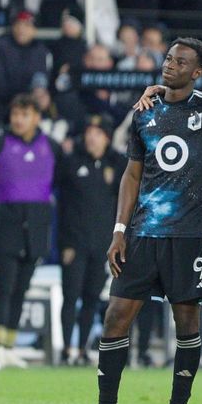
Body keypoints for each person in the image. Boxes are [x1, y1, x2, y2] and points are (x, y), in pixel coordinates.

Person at [65, 38, 202, 404]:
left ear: (197, 72)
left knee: (187, 322)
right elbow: (132, 174)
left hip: (189, 237)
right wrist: (119, 230)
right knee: (115, 316)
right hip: (142, 235)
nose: (169, 65)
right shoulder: (145, 112)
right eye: (168, 58)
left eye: (180, 61)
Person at [0, 94, 64, 368]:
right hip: (6, 222)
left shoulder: (52, 146)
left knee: (21, 287)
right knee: (4, 285)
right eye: (15, 115)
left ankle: (9, 343)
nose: (18, 120)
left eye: (24, 115)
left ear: (37, 117)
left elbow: (58, 179)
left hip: (36, 224)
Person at [57, 115, 126, 365]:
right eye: (89, 133)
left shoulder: (117, 164)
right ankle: (66, 349)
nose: (91, 138)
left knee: (91, 298)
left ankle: (84, 349)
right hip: (74, 245)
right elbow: (62, 207)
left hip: (102, 246)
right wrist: (64, 243)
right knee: (70, 296)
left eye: (97, 133)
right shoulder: (71, 162)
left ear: (107, 138)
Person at [0, 11, 52, 126]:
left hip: (32, 111)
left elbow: (44, 78)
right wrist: (26, 98)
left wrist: (42, 95)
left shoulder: (41, 50)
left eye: (27, 25)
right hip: (4, 110)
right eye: (18, 24)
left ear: (34, 30)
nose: (21, 29)